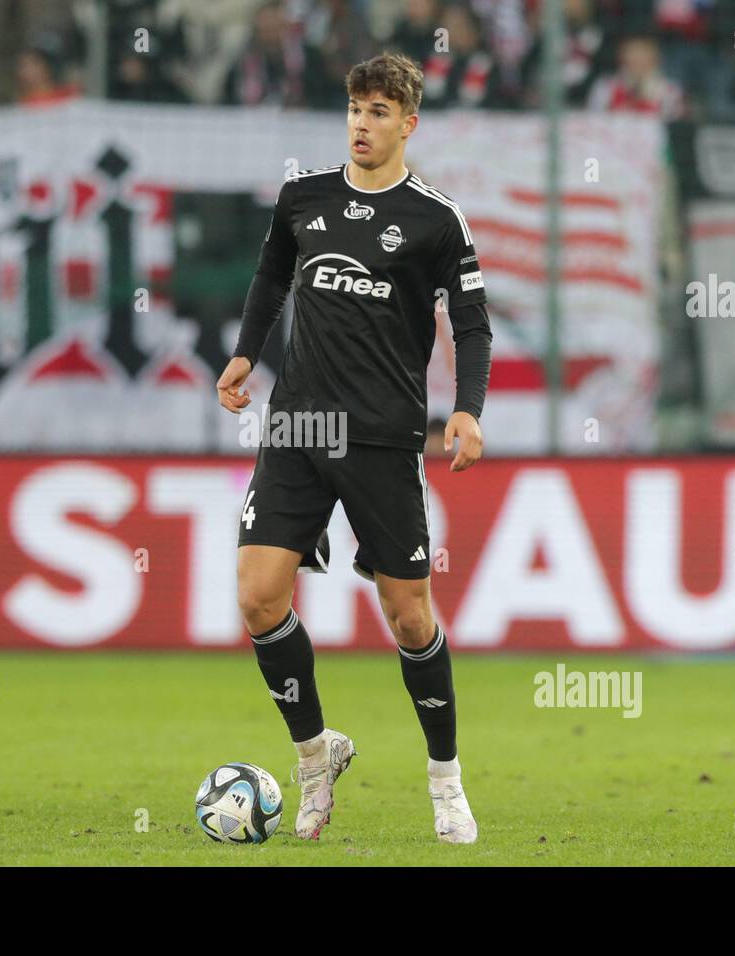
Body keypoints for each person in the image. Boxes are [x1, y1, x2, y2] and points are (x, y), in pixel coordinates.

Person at [215, 51, 492, 844]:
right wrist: (245, 351)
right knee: (259, 596)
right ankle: (314, 761)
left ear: (408, 124)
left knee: (408, 616)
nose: (362, 126)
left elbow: (471, 325)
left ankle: (446, 781)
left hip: (383, 436)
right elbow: (271, 276)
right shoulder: (303, 198)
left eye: (378, 113)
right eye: (355, 110)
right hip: (298, 425)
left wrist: (466, 413)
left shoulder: (438, 220)